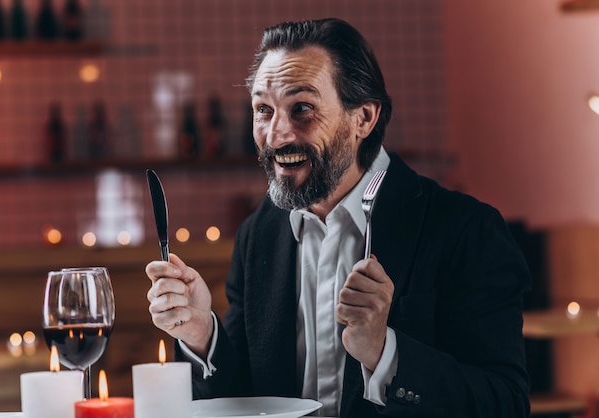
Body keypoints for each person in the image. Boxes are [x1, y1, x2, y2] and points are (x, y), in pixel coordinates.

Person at [145, 18, 531, 418]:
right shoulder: (258, 233)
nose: (276, 135)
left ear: (363, 118)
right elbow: (249, 397)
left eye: (303, 109)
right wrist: (202, 335)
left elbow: (506, 403)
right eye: (263, 110)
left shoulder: (466, 229)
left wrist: (385, 353)